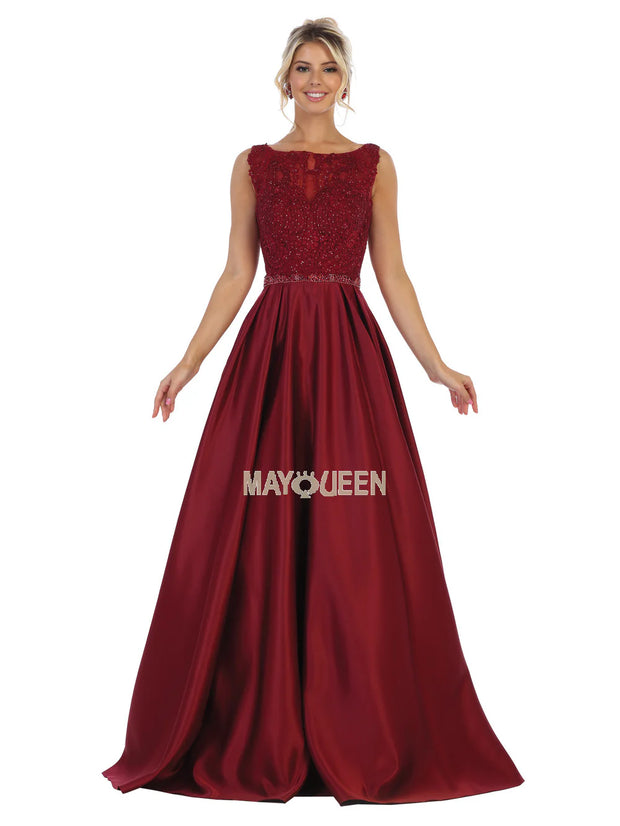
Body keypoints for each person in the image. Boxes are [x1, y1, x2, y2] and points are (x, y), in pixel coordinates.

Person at [102, 17, 524, 806]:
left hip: (348, 359)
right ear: (284, 79)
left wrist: (436, 365)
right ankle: (259, 723)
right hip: (269, 357)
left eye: (329, 67)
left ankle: (354, 726)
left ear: (346, 80)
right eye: (303, 67)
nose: (316, 80)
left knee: (353, 534)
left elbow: (393, 273)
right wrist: (189, 362)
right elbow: (237, 271)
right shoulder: (251, 165)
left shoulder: (375, 165)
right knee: (250, 525)